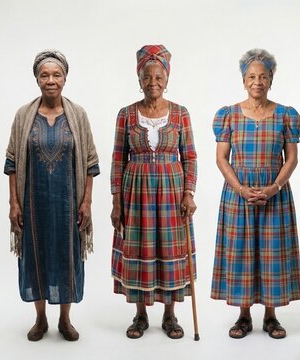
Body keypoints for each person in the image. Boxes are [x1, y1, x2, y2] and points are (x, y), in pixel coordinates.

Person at [5, 49, 100, 342]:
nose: (50, 80)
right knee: (35, 257)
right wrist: (13, 203)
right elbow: (11, 163)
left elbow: (90, 163)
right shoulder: (24, 116)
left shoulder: (78, 115)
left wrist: (86, 202)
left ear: (65, 78)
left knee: (67, 257)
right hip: (33, 205)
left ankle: (65, 320)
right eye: (44, 75)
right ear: (36, 78)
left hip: (68, 205)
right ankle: (41, 319)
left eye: (56, 74)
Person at [211, 49, 300, 340]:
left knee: (272, 254)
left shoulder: (285, 115)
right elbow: (221, 158)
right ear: (243, 80)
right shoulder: (228, 115)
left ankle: (272, 317)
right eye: (251, 76)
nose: (257, 81)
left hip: (274, 192)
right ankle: (243, 316)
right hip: (238, 193)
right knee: (241, 254)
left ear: (271, 78)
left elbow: (291, 159)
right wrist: (239, 188)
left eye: (263, 76)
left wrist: (273, 187)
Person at [110, 45, 197, 340]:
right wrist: (116, 202)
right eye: (147, 78)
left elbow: (191, 157)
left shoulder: (181, 113)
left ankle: (171, 316)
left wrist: (189, 193)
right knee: (138, 249)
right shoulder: (125, 114)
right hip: (136, 193)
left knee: (170, 251)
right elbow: (118, 159)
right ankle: (140, 315)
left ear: (167, 79)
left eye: (159, 78)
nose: (153, 83)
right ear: (139, 79)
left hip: (172, 193)